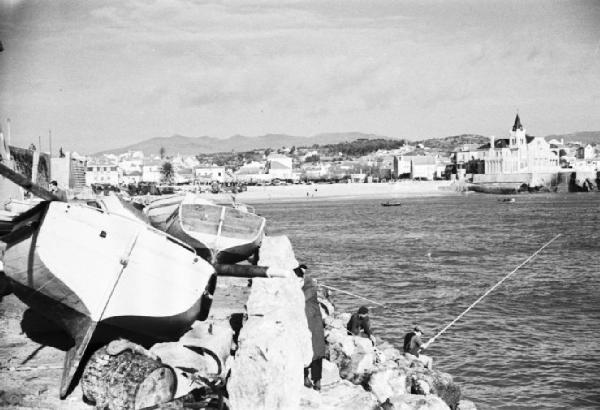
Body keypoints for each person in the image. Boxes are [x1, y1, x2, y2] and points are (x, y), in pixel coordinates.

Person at [294, 264, 326, 391]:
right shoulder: (303, 286)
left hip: (313, 324)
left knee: (317, 354)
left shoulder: (309, 288)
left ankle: (317, 381)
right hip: (304, 324)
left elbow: (300, 299)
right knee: (303, 351)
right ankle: (305, 378)